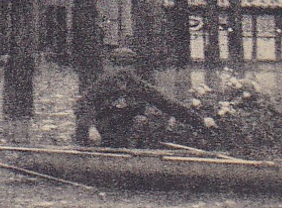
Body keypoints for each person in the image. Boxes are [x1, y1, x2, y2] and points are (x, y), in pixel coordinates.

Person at [76, 47, 211, 148]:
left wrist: (200, 121)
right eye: (119, 65)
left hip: (127, 131)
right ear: (112, 67)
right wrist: (91, 127)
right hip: (101, 132)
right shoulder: (101, 86)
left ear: (133, 68)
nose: (123, 70)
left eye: (127, 65)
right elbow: (83, 107)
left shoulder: (139, 86)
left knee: (142, 122)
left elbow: (169, 104)